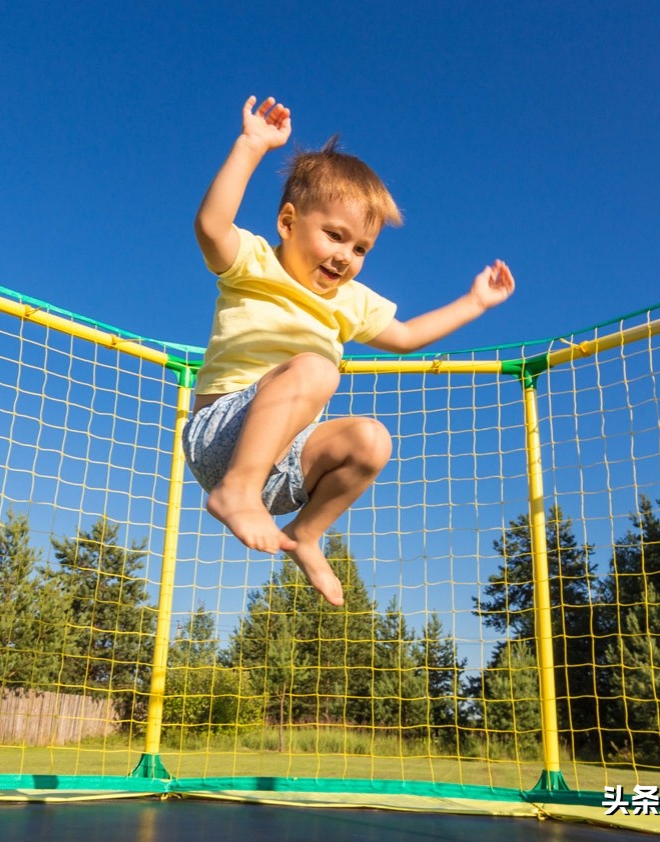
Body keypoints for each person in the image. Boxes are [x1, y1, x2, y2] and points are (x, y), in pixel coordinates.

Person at [184, 95, 514, 607]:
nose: (345, 257)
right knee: (318, 369)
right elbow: (210, 226)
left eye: (360, 249)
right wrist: (252, 146)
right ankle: (236, 492)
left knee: (371, 439)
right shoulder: (253, 262)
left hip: (289, 463)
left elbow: (405, 337)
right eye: (334, 236)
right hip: (221, 437)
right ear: (288, 222)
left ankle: (306, 534)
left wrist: (474, 302)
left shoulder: (350, 301)